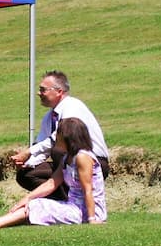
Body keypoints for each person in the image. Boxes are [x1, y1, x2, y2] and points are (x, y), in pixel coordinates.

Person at [0, 117, 107, 229]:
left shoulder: (83, 157)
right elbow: (51, 183)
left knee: (37, 205)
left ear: (69, 137)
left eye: (59, 133)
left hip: (88, 211)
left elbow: (88, 190)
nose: (56, 136)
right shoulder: (66, 158)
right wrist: (27, 198)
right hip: (74, 207)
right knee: (33, 203)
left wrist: (92, 220)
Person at [11, 71, 110, 199]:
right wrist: (27, 162)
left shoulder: (72, 106)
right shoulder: (49, 117)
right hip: (67, 164)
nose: (38, 93)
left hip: (93, 162)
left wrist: (29, 152)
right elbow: (42, 146)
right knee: (26, 174)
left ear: (59, 91)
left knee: (58, 151)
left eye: (43, 90)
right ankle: (64, 201)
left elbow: (59, 138)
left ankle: (70, 204)